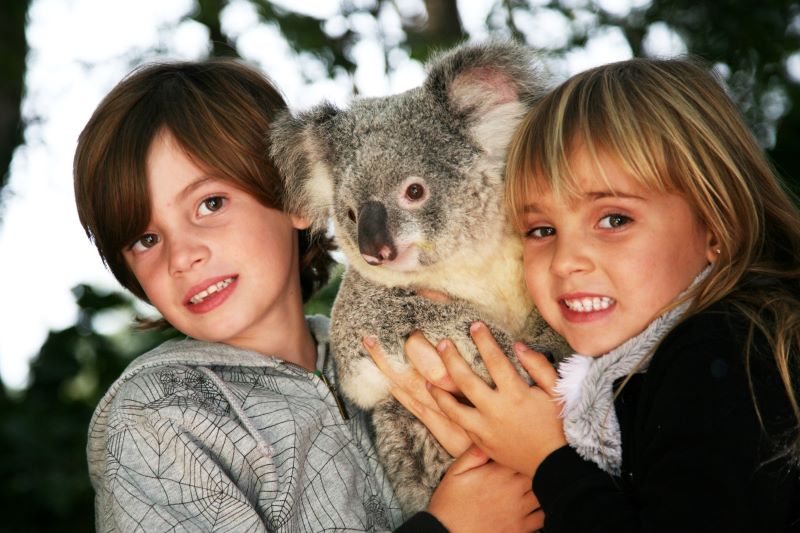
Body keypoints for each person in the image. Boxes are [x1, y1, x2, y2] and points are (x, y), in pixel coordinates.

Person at [73, 58, 540, 532]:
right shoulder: (157, 417)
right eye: (145, 240)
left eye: (210, 204)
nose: (182, 256)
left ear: (296, 195)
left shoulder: (381, 347)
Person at [366, 57, 800, 532]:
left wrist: (547, 460)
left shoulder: (728, 349)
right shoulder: (618, 373)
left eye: (614, 219)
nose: (566, 259)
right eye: (541, 229)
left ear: (717, 223)